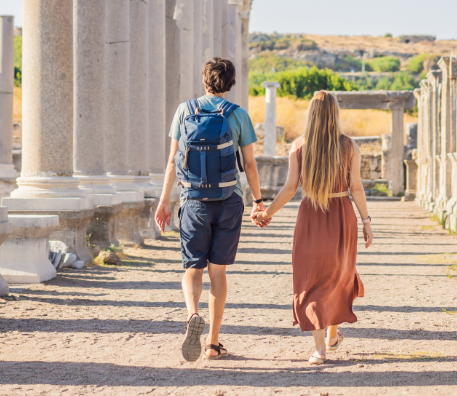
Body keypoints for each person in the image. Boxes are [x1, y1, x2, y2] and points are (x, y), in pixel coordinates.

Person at [155, 57, 265, 362]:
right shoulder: (238, 115)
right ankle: (214, 344)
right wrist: (258, 201)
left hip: (192, 201)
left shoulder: (184, 111)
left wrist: (165, 201)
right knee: (218, 271)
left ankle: (192, 316)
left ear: (204, 80)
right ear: (230, 84)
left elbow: (172, 161)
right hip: (228, 200)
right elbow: (251, 165)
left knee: (192, 268)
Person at [252, 90, 373, 364]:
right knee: (339, 275)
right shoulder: (350, 146)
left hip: (311, 216)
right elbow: (356, 187)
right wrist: (366, 221)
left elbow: (290, 188)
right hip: (342, 215)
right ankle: (331, 334)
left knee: (311, 279)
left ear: (312, 114)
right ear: (335, 113)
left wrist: (265, 213)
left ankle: (321, 348)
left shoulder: (298, 146)